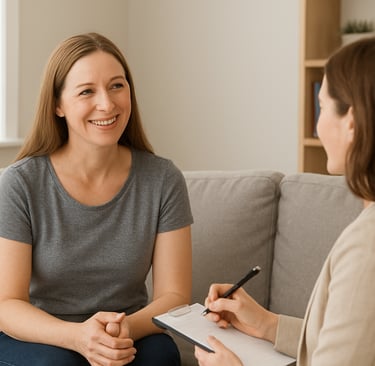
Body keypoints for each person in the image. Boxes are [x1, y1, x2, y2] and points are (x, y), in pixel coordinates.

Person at [0, 32, 193, 366]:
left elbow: (174, 297)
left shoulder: (163, 179)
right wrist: (77, 337)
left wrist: (121, 329)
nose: (107, 103)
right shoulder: (20, 183)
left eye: (117, 85)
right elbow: (7, 303)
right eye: (87, 91)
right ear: (57, 104)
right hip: (43, 334)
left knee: (161, 356)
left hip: (126, 330)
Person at [195, 36, 375, 366]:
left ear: (351, 123)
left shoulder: (368, 248)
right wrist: (268, 325)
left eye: (321, 107)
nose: (317, 126)